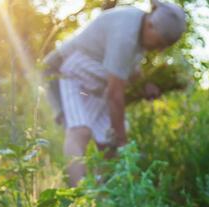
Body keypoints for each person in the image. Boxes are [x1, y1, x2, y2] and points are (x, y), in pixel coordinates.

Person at [43, 0, 186, 187]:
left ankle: (103, 197)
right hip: (65, 71)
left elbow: (130, 71)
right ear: (151, 24)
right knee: (80, 131)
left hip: (92, 82)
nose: (159, 49)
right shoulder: (125, 33)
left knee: (108, 140)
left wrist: (144, 85)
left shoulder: (139, 32)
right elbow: (115, 95)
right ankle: (79, 200)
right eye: (160, 42)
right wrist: (122, 142)